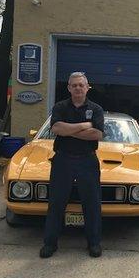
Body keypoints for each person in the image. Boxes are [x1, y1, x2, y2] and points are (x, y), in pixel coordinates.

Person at [40, 72, 105, 258]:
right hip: (63, 159)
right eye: (74, 85)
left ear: (87, 87)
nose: (78, 88)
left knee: (91, 204)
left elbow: (97, 135)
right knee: (56, 203)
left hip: (87, 160)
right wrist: (84, 125)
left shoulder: (96, 109)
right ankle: (50, 244)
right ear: (69, 87)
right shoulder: (60, 107)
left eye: (81, 85)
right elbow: (56, 128)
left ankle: (94, 243)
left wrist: (68, 130)